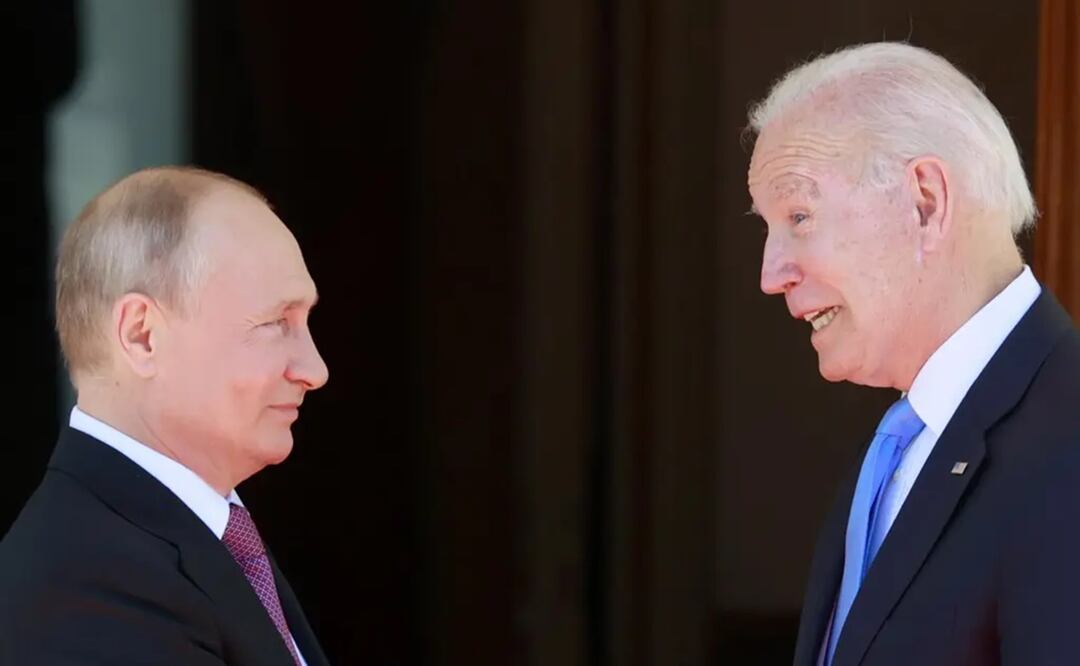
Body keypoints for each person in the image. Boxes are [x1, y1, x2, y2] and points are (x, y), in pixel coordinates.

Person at [745, 42, 1080, 666]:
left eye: (799, 214)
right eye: (768, 225)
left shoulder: (1067, 442)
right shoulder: (901, 445)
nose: (771, 273)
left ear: (925, 201)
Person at [0, 166, 331, 665]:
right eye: (275, 323)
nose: (315, 370)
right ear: (142, 336)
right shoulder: (87, 587)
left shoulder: (191, 535)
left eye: (305, 322)